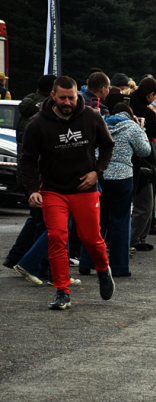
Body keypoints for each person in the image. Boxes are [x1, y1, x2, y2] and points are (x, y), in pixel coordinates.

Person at [18, 76, 116, 309]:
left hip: (85, 189)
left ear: (76, 95)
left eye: (71, 97)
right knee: (57, 237)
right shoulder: (38, 123)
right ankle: (62, 291)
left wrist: (97, 172)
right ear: (53, 96)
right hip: (53, 191)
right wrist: (32, 190)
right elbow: (27, 160)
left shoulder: (92, 117)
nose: (67, 102)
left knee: (91, 239)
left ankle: (103, 270)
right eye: (62, 98)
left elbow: (108, 146)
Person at [78, 102, 150, 277]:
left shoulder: (99, 122)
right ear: (129, 115)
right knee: (120, 222)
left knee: (96, 222)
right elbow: (145, 151)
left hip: (99, 176)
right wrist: (142, 130)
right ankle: (119, 267)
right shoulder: (132, 127)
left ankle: (86, 262)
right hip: (123, 178)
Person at [3, 74, 57, 270]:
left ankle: (15, 256)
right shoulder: (45, 113)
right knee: (43, 222)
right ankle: (37, 264)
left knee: (35, 219)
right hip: (38, 174)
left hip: (26, 172)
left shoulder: (27, 108)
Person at [128, 77, 156, 251]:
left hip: (121, 161)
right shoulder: (145, 112)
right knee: (145, 203)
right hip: (142, 162)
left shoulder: (126, 103)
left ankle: (135, 238)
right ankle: (135, 239)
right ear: (151, 94)